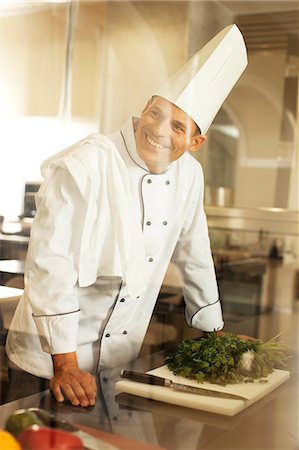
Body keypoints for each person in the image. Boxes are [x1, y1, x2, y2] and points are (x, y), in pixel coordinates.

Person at [6, 24, 247, 408]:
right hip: (48, 360)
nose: (158, 130)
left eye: (178, 126)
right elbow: (52, 265)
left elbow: (195, 253)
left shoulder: (189, 176)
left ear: (196, 143)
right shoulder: (84, 164)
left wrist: (216, 333)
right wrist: (65, 363)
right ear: (146, 106)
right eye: (156, 113)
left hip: (119, 358)